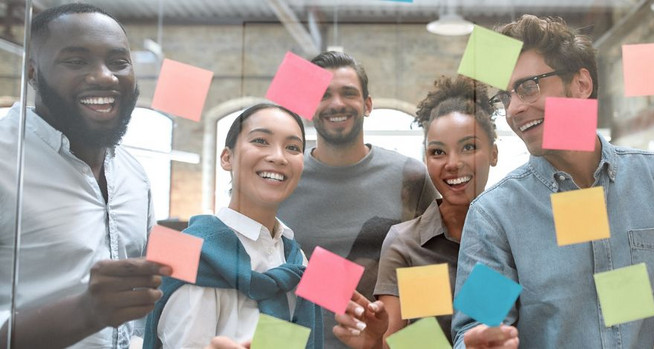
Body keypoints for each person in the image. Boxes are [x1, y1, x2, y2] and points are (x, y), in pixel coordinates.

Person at [452, 15, 654, 348]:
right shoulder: (495, 215)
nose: (515, 108)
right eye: (505, 97)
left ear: (581, 85)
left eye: (527, 87)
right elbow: (475, 327)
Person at [0, 4, 170, 348]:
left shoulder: (133, 176)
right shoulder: (5, 161)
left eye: (119, 62)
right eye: (76, 61)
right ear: (32, 73)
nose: (105, 76)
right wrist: (86, 312)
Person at [277, 51, 438, 347]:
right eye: (324, 95)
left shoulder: (409, 177)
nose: (337, 103)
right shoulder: (283, 178)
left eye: (348, 93)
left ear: (367, 104)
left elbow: (431, 273)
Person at [144, 104, 322, 348]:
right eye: (261, 140)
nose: (279, 157)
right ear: (227, 158)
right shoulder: (189, 254)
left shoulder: (295, 259)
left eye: (293, 147)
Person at [372, 75, 499, 344]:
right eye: (438, 152)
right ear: (426, 159)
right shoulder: (406, 243)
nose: (452, 164)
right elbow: (391, 341)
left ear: (494, 154)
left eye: (469, 147)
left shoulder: (512, 235)